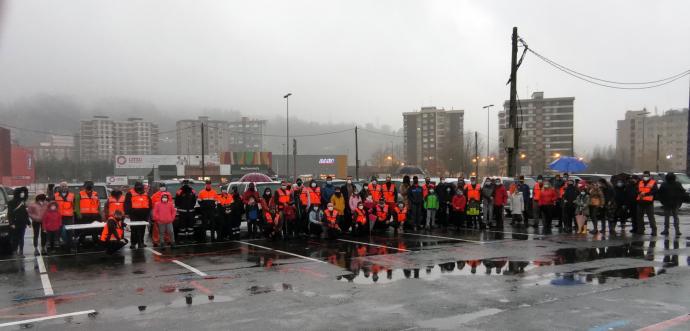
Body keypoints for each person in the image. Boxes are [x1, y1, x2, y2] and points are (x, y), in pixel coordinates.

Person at [125, 182, 151, 249]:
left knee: (142, 229)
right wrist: (127, 213)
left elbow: (149, 203)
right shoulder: (130, 193)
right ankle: (133, 243)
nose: (139, 188)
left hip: (144, 214)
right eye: (138, 187)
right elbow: (127, 203)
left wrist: (149, 211)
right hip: (134, 214)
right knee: (134, 229)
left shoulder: (145, 193)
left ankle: (141, 242)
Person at [657, 172, 685, 237]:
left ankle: (666, 230)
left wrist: (662, 202)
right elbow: (683, 193)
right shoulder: (678, 184)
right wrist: (679, 201)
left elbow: (659, 194)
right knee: (675, 217)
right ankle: (677, 230)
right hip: (675, 203)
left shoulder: (664, 184)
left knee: (667, 217)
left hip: (667, 203)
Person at [8, 187, 30, 256]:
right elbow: (10, 214)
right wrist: (11, 223)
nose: (22, 194)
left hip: (22, 222)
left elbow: (25, 213)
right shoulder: (11, 202)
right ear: (17, 194)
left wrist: (28, 222)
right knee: (15, 238)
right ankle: (15, 250)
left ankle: (21, 251)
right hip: (15, 223)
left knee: (21, 238)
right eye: (20, 193)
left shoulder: (22, 201)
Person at [54, 182, 75, 251]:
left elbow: (75, 206)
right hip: (58, 217)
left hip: (69, 217)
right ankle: (57, 246)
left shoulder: (72, 195)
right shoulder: (55, 195)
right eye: (62, 186)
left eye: (65, 186)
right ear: (60, 187)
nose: (64, 187)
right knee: (58, 231)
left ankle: (70, 246)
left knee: (69, 232)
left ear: (67, 187)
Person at [635, 171, 658, 236]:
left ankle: (654, 231)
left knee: (651, 217)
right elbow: (636, 190)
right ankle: (640, 230)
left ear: (649, 176)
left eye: (646, 175)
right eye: (644, 175)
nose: (645, 177)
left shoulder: (653, 182)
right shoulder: (640, 182)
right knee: (639, 217)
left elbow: (655, 190)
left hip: (649, 202)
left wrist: (645, 194)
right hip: (640, 201)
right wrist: (640, 193)